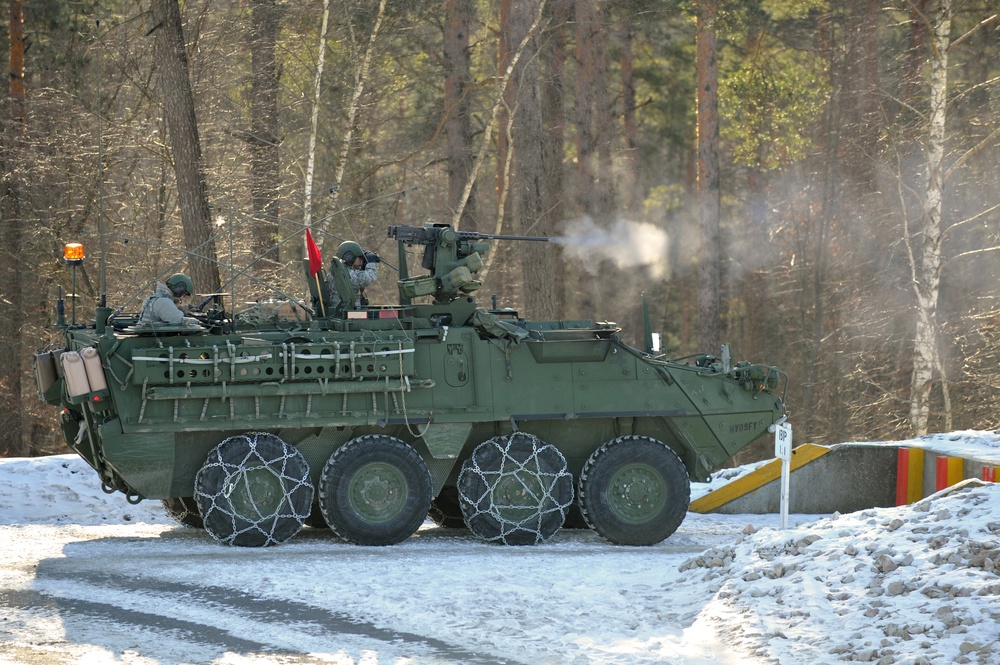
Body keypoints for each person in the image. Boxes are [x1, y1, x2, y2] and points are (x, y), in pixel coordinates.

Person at [328, 241, 380, 309]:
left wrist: (363, 267)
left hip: (343, 311)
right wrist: (371, 262)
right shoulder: (346, 275)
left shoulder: (337, 271)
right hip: (348, 314)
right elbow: (371, 276)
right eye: (360, 258)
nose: (361, 261)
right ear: (350, 258)